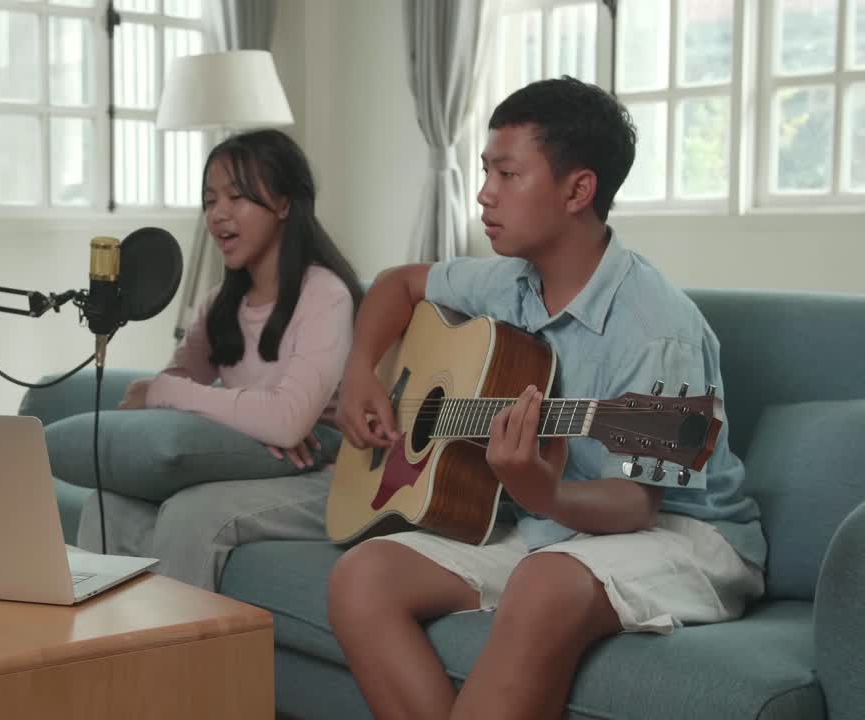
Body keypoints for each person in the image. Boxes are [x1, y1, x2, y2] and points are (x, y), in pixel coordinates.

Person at [327, 77, 766, 720]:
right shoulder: (509, 284)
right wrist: (361, 369)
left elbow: (635, 502)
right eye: (486, 171)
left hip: (683, 531)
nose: (484, 193)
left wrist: (542, 493)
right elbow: (398, 285)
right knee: (361, 579)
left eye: (507, 174)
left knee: (546, 580)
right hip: (556, 526)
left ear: (577, 190)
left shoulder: (655, 329)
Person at [73, 128, 364, 591]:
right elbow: (146, 399)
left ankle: (176, 662)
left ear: (285, 204)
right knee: (106, 507)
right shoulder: (219, 305)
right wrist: (252, 420)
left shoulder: (324, 295)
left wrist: (173, 394)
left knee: (194, 515)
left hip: (331, 479)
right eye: (210, 200)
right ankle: (100, 656)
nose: (218, 214)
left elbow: (286, 423)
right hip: (262, 469)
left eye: (236, 196)